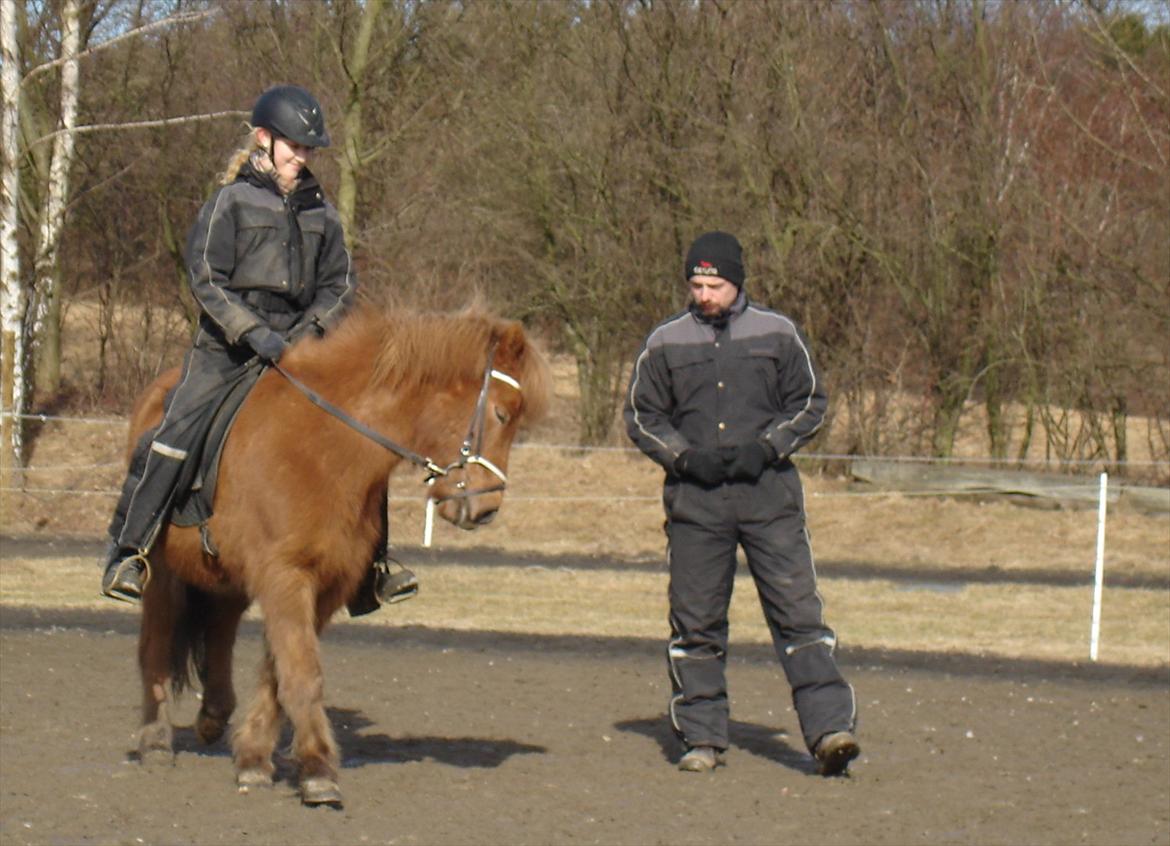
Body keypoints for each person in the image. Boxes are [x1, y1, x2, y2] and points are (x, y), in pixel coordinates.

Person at [100, 84, 417, 613]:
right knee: (175, 431)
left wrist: (309, 331)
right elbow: (206, 278)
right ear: (264, 140)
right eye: (294, 145)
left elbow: (339, 284)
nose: (302, 156)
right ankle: (128, 552)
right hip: (228, 347)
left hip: (301, 346)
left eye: (309, 148)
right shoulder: (229, 202)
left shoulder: (322, 212)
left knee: (362, 433)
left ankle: (374, 568)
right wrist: (254, 333)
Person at [623, 230, 859, 776]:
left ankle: (830, 732)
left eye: (716, 283)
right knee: (696, 625)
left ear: (738, 282)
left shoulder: (778, 333)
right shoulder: (664, 342)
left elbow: (810, 403)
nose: (705, 294)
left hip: (769, 499)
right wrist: (683, 459)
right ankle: (701, 740)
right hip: (695, 506)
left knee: (800, 619)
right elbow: (642, 417)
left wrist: (768, 448)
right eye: (697, 283)